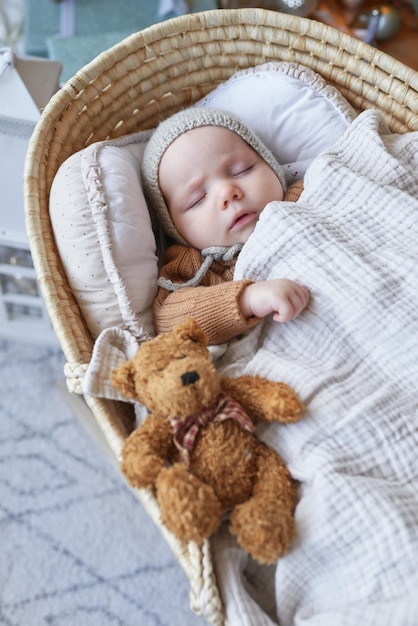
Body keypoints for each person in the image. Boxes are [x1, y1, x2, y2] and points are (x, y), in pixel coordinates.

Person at [141, 107, 310, 345]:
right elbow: (169, 319)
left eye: (242, 170)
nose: (227, 193)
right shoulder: (196, 268)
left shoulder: (308, 193)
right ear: (174, 227)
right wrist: (246, 300)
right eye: (197, 199)